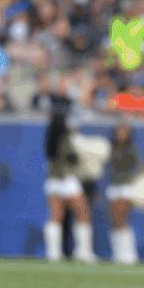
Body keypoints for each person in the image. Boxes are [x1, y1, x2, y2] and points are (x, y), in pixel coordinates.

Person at [43, 113, 97, 264]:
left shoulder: (50, 138)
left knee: (55, 216)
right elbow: (74, 158)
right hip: (67, 180)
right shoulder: (68, 139)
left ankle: (52, 253)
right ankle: (83, 251)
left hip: (53, 181)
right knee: (83, 214)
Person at [106, 121, 144, 265]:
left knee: (122, 220)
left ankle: (129, 254)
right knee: (115, 222)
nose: (121, 134)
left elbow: (140, 166)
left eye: (124, 131)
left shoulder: (131, 149)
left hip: (126, 187)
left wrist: (138, 180)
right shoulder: (110, 147)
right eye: (119, 131)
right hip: (113, 186)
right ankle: (117, 253)